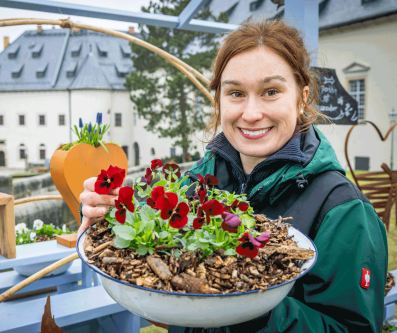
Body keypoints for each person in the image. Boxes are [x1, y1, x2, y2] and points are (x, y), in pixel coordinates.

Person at [78, 20, 388, 333]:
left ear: (302, 97)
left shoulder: (343, 210)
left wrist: (254, 310)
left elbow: (354, 328)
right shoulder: (200, 180)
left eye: (271, 91)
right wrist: (106, 211)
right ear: (219, 101)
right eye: (236, 93)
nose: (251, 113)